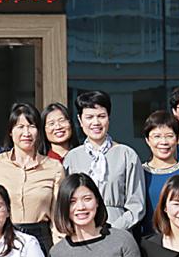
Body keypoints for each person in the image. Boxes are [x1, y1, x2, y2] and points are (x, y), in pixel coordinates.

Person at [0, 103, 64, 255]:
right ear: (11, 131)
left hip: (41, 238)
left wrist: (60, 251)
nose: (26, 133)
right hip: (4, 236)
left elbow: (57, 216)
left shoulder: (54, 167)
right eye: (20, 127)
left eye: (31, 126)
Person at [62, 90, 146, 231]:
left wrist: (114, 229)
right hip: (82, 231)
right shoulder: (72, 158)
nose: (96, 122)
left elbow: (137, 205)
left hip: (118, 229)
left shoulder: (126, 155)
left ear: (109, 118)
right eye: (89, 117)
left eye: (101, 116)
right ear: (80, 120)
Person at [140, 110, 179, 232]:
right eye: (157, 136)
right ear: (147, 140)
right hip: (148, 240)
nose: (164, 142)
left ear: (177, 138)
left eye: (169, 136)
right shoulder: (139, 174)